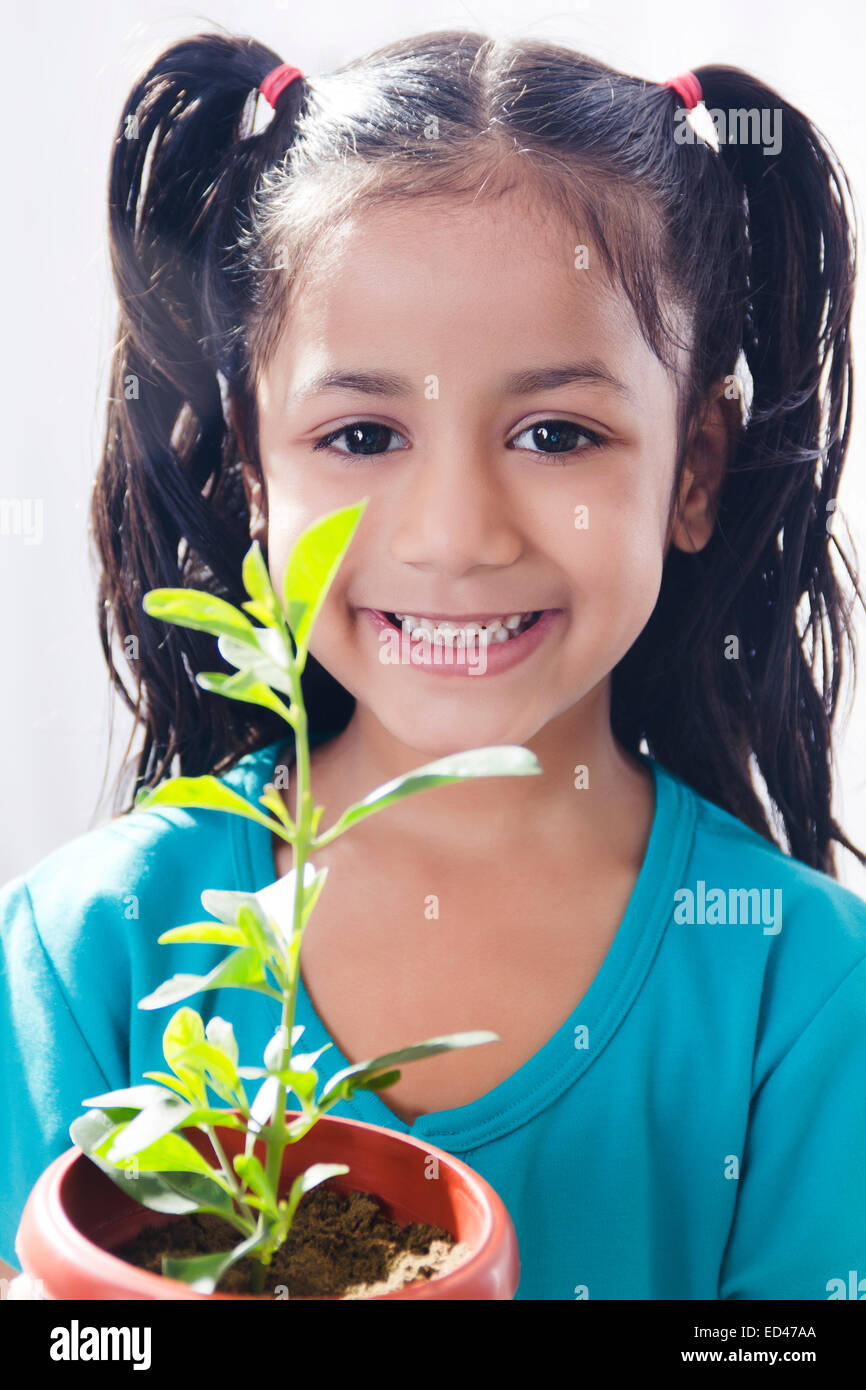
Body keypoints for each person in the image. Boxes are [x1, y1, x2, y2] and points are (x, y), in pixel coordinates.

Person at [2, 28, 865, 1300]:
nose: (453, 533)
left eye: (554, 433)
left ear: (692, 467)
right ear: (252, 468)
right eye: (360, 432)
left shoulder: (805, 993)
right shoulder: (89, 953)